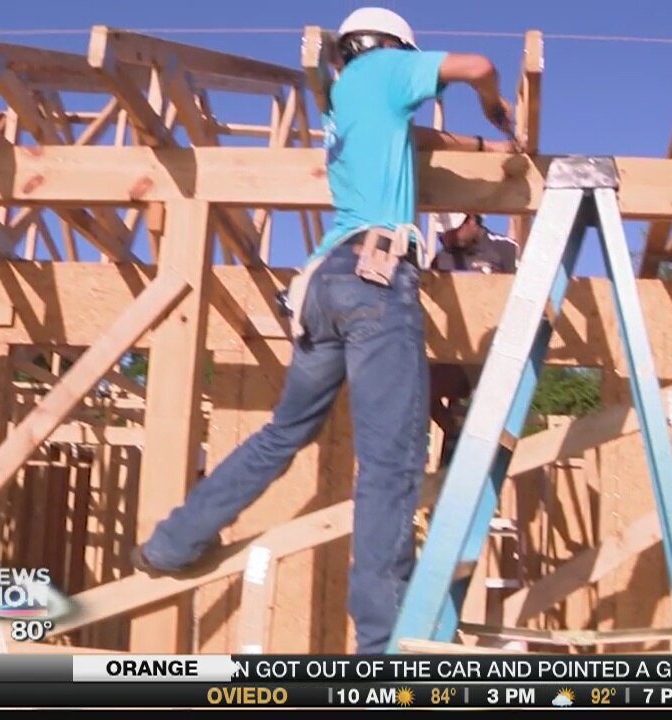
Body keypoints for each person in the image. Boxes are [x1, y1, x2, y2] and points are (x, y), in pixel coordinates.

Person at [130, 6, 518, 655]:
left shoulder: (348, 100)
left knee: (284, 431)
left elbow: (420, 140)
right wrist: (494, 106)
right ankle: (381, 647)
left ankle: (172, 542)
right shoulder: (388, 68)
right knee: (391, 461)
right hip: (376, 280)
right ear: (392, 48)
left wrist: (486, 150)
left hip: (323, 286)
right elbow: (478, 66)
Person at [428, 212, 520, 465]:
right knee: (417, 385)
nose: (445, 237)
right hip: (454, 354)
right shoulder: (441, 259)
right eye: (442, 233)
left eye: (452, 230)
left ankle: (482, 446)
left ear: (471, 221)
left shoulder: (504, 249)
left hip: (495, 353)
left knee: (493, 421)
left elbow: (523, 298)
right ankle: (455, 430)